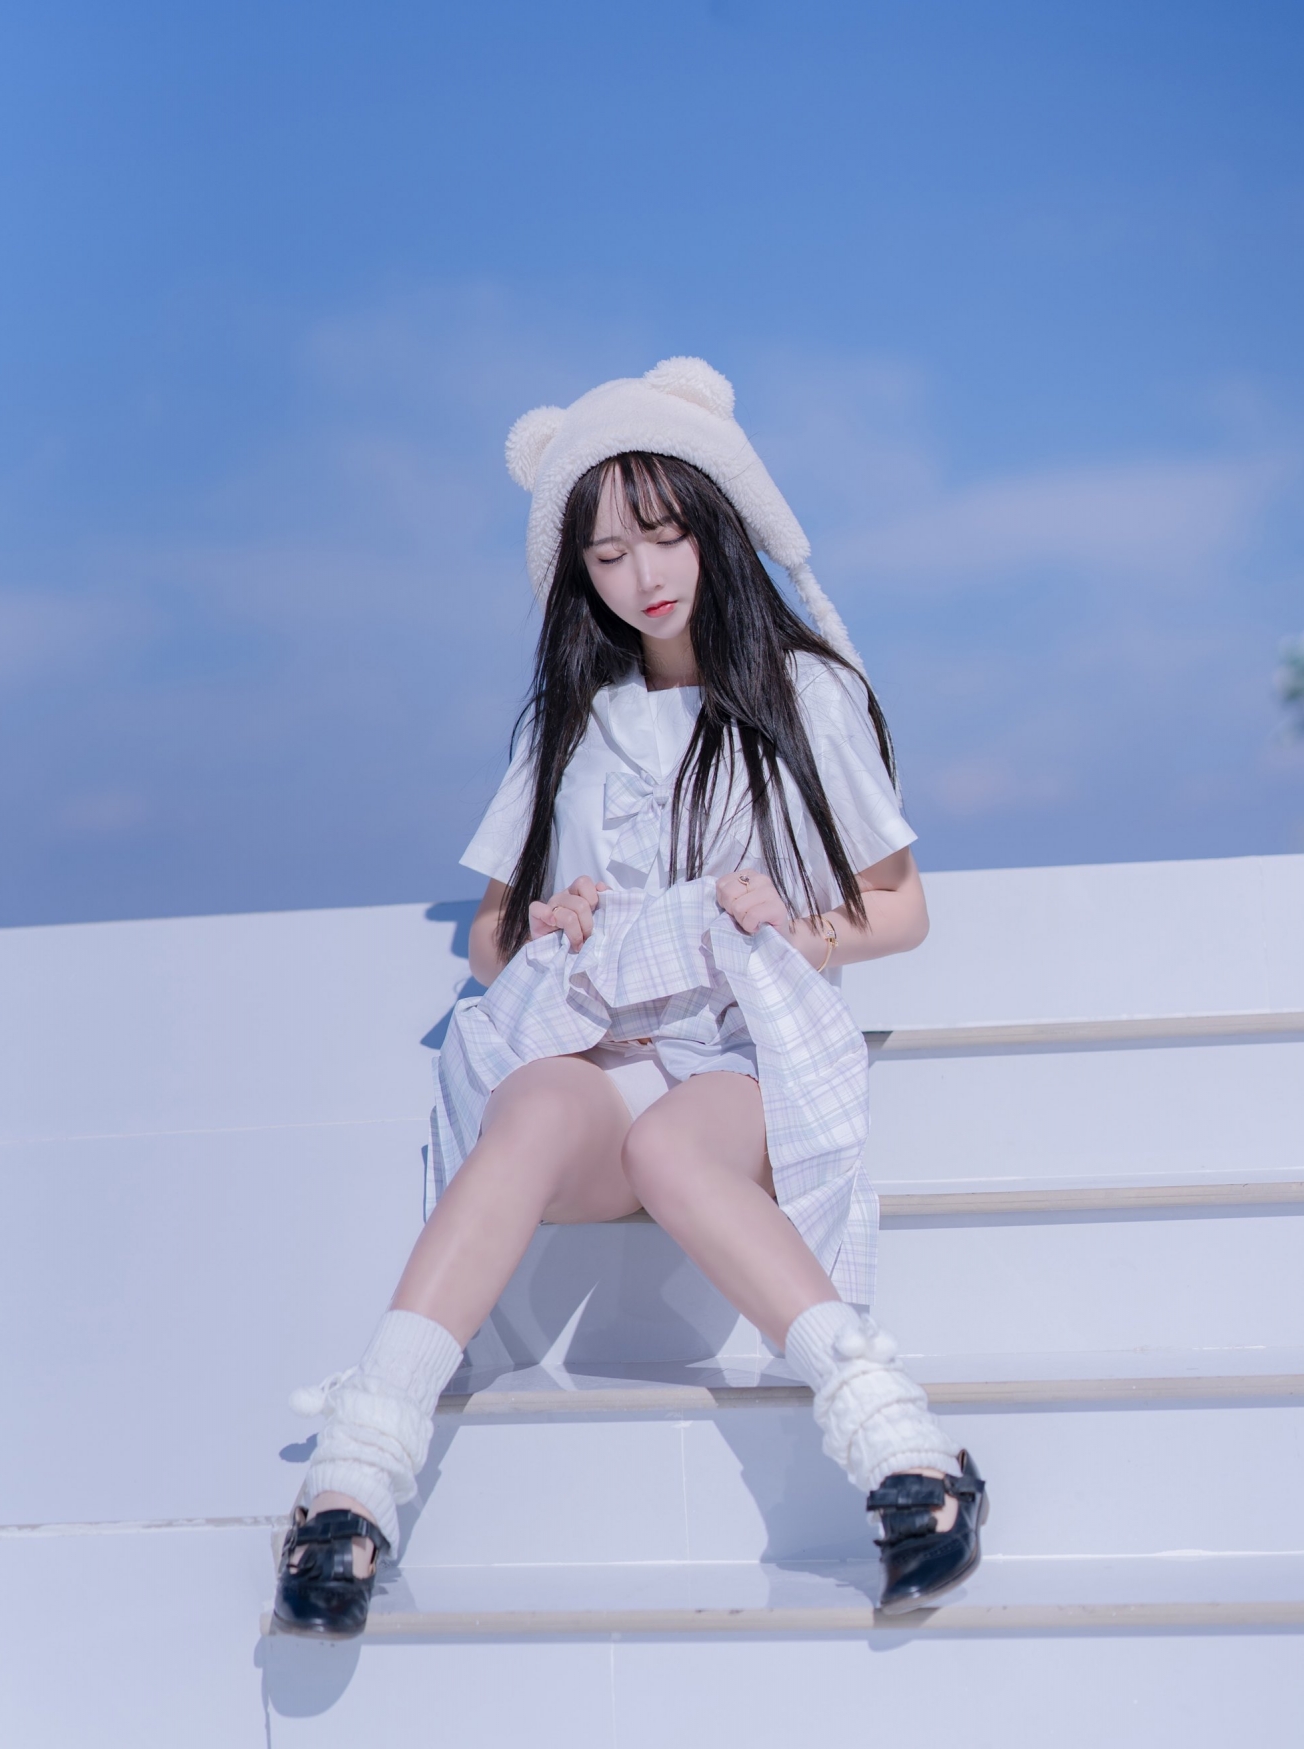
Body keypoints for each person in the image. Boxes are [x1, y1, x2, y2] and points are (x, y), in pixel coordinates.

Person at [273, 356, 986, 1640]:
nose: (642, 572)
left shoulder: (807, 693)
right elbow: (491, 936)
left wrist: (794, 926)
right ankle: (354, 1476)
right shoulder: (569, 720)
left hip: (741, 1046)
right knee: (532, 1106)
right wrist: (545, 922)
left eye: (663, 533)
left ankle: (902, 1448)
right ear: (576, 572)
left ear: (715, 520)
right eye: (605, 552)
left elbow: (900, 907)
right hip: (606, 1042)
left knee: (671, 1144)